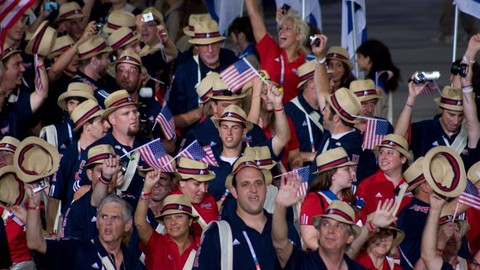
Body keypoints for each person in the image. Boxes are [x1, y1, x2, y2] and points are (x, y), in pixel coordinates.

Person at [193, 153, 300, 270]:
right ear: (234, 191)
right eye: (245, 184)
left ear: (266, 187)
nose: (253, 190)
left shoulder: (286, 228)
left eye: (258, 183)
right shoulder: (217, 234)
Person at [27, 192, 145, 269]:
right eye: (103, 217)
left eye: (115, 218)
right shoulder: (76, 250)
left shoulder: (134, 265)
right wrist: (34, 202)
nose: (108, 223)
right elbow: (34, 243)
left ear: (127, 225)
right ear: (97, 222)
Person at [397, 146, 468, 269]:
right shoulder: (421, 215)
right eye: (439, 179)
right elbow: (426, 258)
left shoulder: (408, 211)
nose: (445, 183)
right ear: (426, 187)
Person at [47, 99, 109, 236]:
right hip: (71, 223)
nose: (107, 125)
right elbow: (54, 196)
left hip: (102, 221)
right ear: (87, 126)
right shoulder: (67, 155)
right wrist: (50, 230)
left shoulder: (107, 150)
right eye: (101, 121)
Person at [167, 19, 237, 131]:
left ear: (220, 43)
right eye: (205, 45)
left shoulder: (230, 59)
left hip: (232, 133)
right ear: (196, 47)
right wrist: (199, 113)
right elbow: (170, 121)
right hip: (197, 138)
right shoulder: (185, 72)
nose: (210, 50)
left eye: (214, 43)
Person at [245, 0, 308, 104]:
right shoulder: (270, 50)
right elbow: (253, 13)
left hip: (290, 118)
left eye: (287, 29)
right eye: (280, 28)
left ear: (299, 36)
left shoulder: (304, 65)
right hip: (268, 115)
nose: (281, 32)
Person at [135, 173, 198, 270]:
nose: (173, 223)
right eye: (168, 218)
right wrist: (147, 189)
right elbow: (139, 223)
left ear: (190, 221)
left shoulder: (200, 250)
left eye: (179, 217)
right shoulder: (157, 243)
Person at [300, 147, 357, 250]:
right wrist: (334, 257)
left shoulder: (350, 199)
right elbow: (309, 238)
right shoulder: (314, 200)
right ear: (332, 175)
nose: (353, 174)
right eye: (347, 169)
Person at [62, 145, 120, 240]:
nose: (108, 174)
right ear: (90, 174)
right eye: (102, 170)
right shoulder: (77, 209)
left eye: (112, 169)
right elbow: (70, 249)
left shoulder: (129, 203)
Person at [248, 73, 302, 170]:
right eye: (265, 93)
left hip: (282, 178)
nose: (269, 96)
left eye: (271, 91)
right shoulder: (244, 122)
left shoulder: (285, 120)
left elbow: (294, 153)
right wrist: (256, 93)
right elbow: (250, 133)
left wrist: (297, 163)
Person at [355, 134, 412, 221]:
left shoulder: (413, 186)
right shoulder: (366, 185)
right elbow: (360, 220)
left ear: (403, 159)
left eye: (390, 153)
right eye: (381, 152)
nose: (383, 157)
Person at [285, 61, 324, 166]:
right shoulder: (290, 111)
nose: (332, 84)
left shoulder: (330, 107)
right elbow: (283, 154)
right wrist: (309, 156)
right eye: (327, 80)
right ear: (311, 83)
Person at [169, 157, 218, 239]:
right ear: (181, 182)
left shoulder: (209, 199)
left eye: (206, 183)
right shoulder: (171, 201)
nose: (204, 190)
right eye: (197, 184)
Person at [40, 82, 96, 151]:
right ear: (66, 105)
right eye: (71, 103)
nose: (75, 108)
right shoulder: (51, 132)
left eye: (80, 104)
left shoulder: (98, 131)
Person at [420, 194, 470, 270]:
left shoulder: (470, 265)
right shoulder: (426, 263)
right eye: (446, 231)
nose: (452, 236)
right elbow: (427, 258)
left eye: (456, 230)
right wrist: (440, 243)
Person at [356, 39, 400, 120]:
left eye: (359, 56)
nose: (356, 60)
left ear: (368, 59)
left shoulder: (376, 84)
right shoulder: (382, 80)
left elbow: (374, 115)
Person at [70, 36, 115, 107]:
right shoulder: (78, 87)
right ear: (95, 61)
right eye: (106, 57)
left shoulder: (107, 79)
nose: (109, 62)